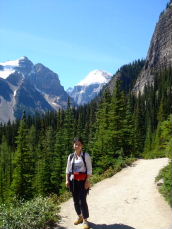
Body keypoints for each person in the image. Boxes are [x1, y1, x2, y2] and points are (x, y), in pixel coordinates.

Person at [66, 137, 92, 229]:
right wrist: (67, 180)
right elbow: (68, 170)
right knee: (75, 201)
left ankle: (85, 220)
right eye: (75, 144)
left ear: (82, 146)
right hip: (73, 182)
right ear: (73, 145)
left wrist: (87, 181)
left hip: (83, 182)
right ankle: (79, 216)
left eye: (79, 144)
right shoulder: (71, 156)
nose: (77, 146)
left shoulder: (86, 155)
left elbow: (89, 170)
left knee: (82, 201)